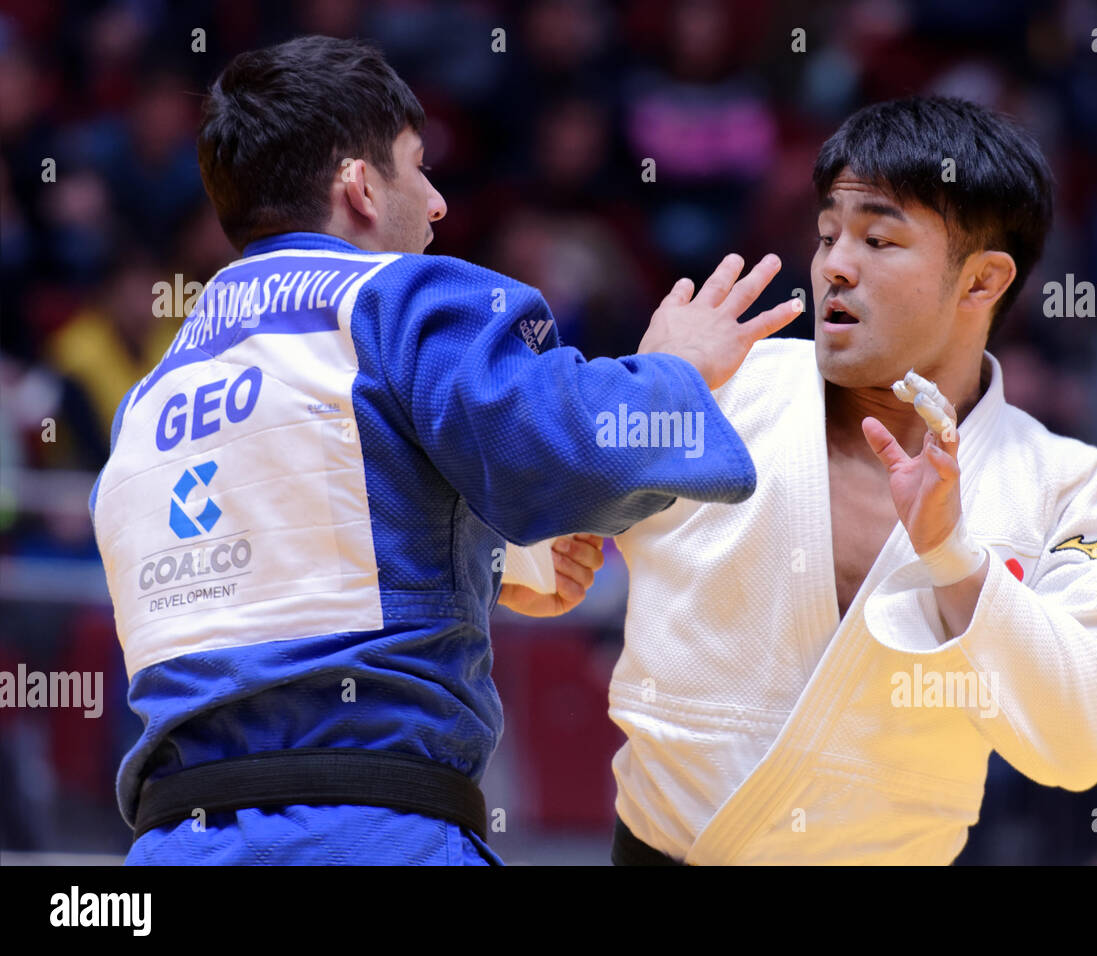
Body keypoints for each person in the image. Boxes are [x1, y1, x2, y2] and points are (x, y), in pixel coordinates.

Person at [86, 35, 802, 865]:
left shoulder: (150, 400)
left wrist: (491, 560)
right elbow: (560, 452)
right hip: (368, 835)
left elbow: (293, 555)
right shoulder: (393, 297)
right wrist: (674, 369)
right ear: (359, 186)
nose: (435, 204)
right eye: (415, 167)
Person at [600, 97, 1097, 864]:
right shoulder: (716, 389)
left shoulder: (1068, 489)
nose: (835, 263)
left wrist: (956, 564)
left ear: (981, 282)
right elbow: (526, 546)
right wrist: (636, 400)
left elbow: (1089, 737)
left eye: (877, 238)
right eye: (828, 233)